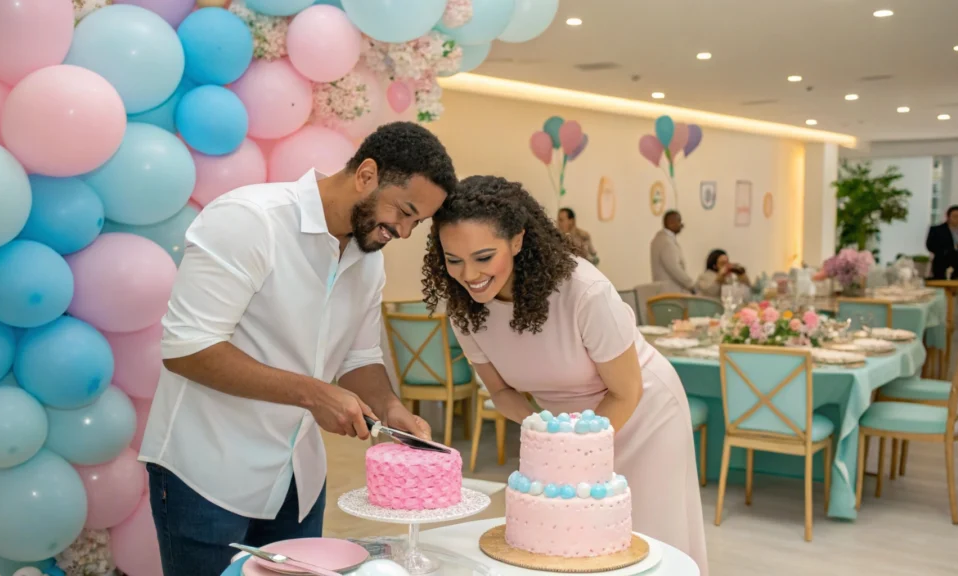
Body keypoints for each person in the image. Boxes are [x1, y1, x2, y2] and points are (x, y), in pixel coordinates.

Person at [139, 122, 457, 576]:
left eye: (416, 221)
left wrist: (391, 408)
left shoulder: (368, 263)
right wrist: (313, 394)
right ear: (367, 174)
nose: (404, 232)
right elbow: (188, 348)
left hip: (298, 481)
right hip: (206, 474)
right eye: (404, 211)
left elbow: (358, 358)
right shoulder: (249, 220)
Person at [421, 176, 709, 575]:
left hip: (643, 414)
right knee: (571, 545)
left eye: (484, 257)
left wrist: (570, 450)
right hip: (564, 432)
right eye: (454, 260)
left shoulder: (583, 291)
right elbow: (502, 391)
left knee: (646, 542)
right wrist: (544, 432)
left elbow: (627, 390)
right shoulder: (464, 311)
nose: (469, 274)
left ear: (517, 241)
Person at [650, 210, 696, 293]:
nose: (682, 225)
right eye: (679, 221)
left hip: (663, 292)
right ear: (671, 222)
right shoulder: (666, 242)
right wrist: (691, 285)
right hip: (671, 292)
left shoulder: (659, 240)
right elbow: (674, 269)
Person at [926, 205, 958, 279]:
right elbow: (931, 246)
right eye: (955, 216)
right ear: (948, 217)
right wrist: (956, 246)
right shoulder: (937, 230)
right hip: (942, 265)